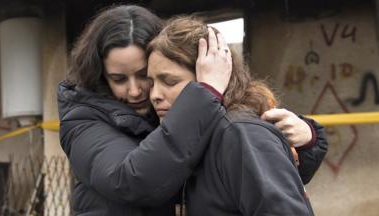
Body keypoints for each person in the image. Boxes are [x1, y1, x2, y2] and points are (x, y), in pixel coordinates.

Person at [57, 5, 327, 216]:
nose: (139, 91)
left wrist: (307, 140)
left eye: (146, 77)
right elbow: (133, 181)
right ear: (99, 75)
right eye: (118, 79)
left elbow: (260, 181)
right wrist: (206, 94)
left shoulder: (218, 123)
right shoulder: (84, 118)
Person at [146, 16, 317, 215]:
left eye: (170, 82)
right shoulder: (196, 136)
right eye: (151, 83)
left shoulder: (240, 134)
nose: (155, 95)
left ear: (212, 75)